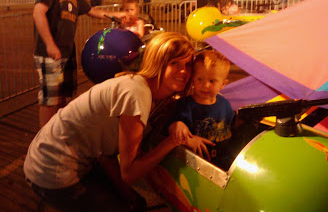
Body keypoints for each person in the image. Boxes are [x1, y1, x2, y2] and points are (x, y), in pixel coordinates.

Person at [24, 32, 213, 211]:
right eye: (174, 63)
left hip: (55, 159)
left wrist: (127, 194)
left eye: (188, 64)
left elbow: (107, 154)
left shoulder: (140, 87)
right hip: (52, 172)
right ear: (157, 63)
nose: (183, 71)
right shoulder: (137, 94)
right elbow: (129, 173)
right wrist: (173, 141)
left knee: (136, 203)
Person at [33, 0, 127, 128]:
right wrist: (50, 44)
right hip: (50, 53)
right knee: (49, 99)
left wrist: (118, 15)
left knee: (62, 96)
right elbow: (39, 12)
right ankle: (43, 137)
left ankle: (57, 131)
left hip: (66, 53)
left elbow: (92, 11)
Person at [168, 50, 236, 167]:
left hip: (224, 161)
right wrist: (177, 125)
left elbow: (233, 124)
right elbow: (171, 126)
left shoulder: (225, 104)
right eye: (200, 79)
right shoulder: (185, 105)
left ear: (223, 84)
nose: (205, 85)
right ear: (193, 79)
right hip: (194, 163)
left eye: (212, 81)